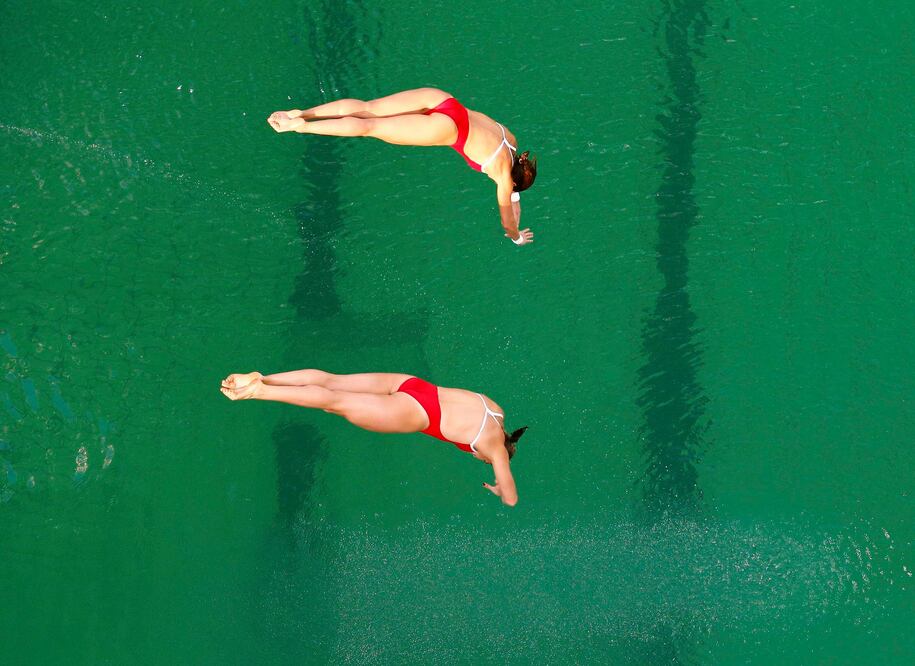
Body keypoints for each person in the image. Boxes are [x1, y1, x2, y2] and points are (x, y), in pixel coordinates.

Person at [267, 87, 537, 246]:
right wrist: (516, 237)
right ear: (513, 183)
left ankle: (301, 113)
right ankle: (303, 127)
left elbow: (514, 199)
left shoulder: (510, 140)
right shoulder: (502, 176)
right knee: (370, 128)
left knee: (367, 108)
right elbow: (507, 220)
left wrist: (515, 195)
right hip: (451, 129)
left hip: (444, 101)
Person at [220, 369, 526, 506]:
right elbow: (511, 498)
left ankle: (262, 377)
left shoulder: (494, 409)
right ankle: (259, 390)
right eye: (482, 459)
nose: (478, 456)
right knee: (333, 401)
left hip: (413, 385)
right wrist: (500, 489)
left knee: (333, 381)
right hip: (416, 411)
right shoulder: (493, 447)